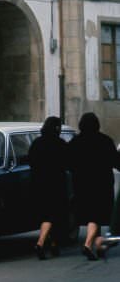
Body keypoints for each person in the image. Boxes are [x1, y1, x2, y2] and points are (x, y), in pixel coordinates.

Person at [69, 111, 120, 260]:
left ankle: (97, 246)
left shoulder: (75, 142)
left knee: (91, 214)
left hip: (81, 185)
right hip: (101, 185)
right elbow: (116, 161)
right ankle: (88, 243)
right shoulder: (105, 141)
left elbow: (68, 163)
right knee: (96, 215)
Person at [28, 116, 70, 259]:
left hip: (39, 184)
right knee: (54, 215)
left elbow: (31, 162)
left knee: (46, 215)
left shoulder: (36, 143)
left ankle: (53, 244)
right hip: (55, 184)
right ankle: (41, 243)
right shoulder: (60, 144)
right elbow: (67, 163)